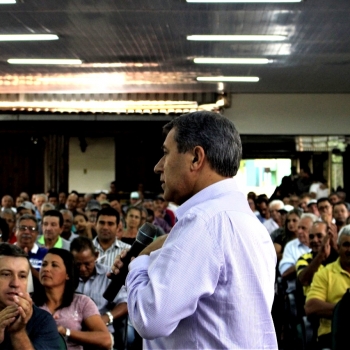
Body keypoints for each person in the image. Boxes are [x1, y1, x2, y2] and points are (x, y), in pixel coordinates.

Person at [112, 111, 277, 349]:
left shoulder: (202, 223)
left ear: (196, 158)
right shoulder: (249, 223)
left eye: (166, 153)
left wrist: (137, 264)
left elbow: (150, 319)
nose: (158, 167)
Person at [33, 248, 112, 350]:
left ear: (68, 274)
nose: (46, 269)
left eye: (54, 265)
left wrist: (66, 332)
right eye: (44, 264)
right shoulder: (30, 303)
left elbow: (106, 340)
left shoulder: (82, 302)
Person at [0, 243, 61, 349]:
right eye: (6, 274)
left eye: (22, 276)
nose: (15, 283)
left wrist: (18, 333)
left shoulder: (43, 320)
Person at [70, 236, 128, 349]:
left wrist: (106, 318)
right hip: (73, 333)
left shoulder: (108, 275)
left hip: (101, 332)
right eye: (78, 264)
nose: (82, 269)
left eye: (87, 264)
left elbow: (125, 303)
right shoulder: (66, 276)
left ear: (96, 256)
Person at [305, 225, 350, 349]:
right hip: (333, 336)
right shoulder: (324, 274)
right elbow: (311, 307)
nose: (349, 249)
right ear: (338, 247)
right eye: (346, 244)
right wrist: (344, 310)